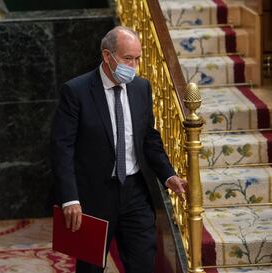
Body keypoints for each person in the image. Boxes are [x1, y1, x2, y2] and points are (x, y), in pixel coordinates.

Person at [50, 26, 187, 273]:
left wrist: (168, 175)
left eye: (137, 59)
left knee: (143, 264)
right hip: (94, 195)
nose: (133, 66)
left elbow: (149, 139)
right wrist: (70, 198)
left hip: (135, 192)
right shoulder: (77, 91)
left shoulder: (141, 88)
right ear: (107, 55)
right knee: (90, 268)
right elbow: (62, 148)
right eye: (127, 59)